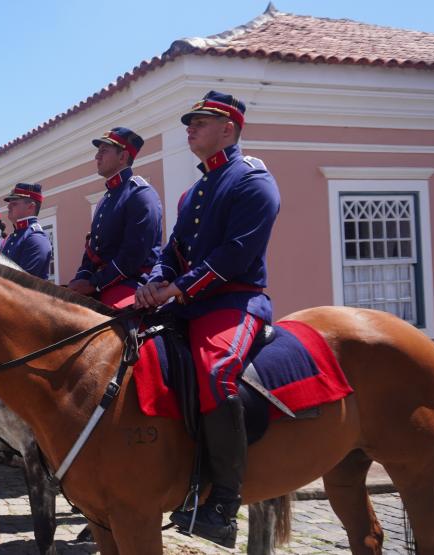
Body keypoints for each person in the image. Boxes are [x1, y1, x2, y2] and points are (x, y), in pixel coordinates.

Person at [133, 91, 280, 548]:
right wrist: (155, 281)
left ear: (228, 129)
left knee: (217, 373)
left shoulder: (253, 180)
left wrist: (179, 287)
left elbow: (236, 255)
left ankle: (224, 502)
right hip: (188, 303)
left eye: (200, 121)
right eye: (190, 122)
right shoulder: (194, 191)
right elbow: (172, 251)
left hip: (233, 301)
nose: (190, 128)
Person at [68, 126, 163, 308]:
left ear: (122, 157)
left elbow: (132, 257)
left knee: (120, 329)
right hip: (101, 284)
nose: (97, 157)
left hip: (130, 284)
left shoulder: (140, 194)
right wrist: (80, 279)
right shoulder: (106, 199)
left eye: (104, 151)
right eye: (98, 152)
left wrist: (93, 283)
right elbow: (92, 252)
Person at [0, 183, 52, 279]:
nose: (8, 207)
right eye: (9, 203)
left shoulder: (35, 238)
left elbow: (24, 283)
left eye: (14, 203)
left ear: (30, 207)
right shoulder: (12, 237)